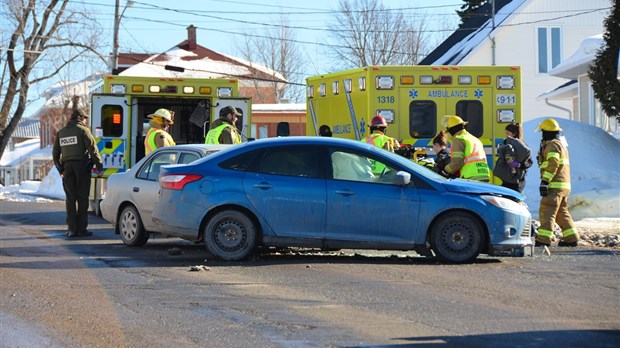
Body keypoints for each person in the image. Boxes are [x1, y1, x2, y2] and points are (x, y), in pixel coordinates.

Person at [53, 109, 103, 238]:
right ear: (80, 118)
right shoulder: (83, 131)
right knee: (82, 198)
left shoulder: (61, 133)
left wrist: (61, 169)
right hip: (81, 167)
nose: (86, 120)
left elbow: (55, 154)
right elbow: (93, 149)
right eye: (85, 118)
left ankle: (71, 229)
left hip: (67, 168)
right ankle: (81, 229)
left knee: (70, 199)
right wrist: (99, 166)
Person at [534, 118, 579, 247]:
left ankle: (543, 239)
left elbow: (553, 163)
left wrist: (545, 182)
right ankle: (572, 237)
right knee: (561, 212)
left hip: (554, 186)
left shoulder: (552, 145)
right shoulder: (560, 144)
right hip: (563, 186)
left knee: (547, 211)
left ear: (546, 132)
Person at [437, 115, 490, 182]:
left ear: (452, 129)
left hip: (471, 176)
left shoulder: (459, 139)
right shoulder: (474, 139)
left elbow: (457, 162)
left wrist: (445, 171)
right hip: (483, 175)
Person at [493, 122, 533, 193]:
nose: (506, 135)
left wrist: (520, 165)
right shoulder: (505, 143)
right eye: (505, 133)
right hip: (507, 178)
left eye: (508, 133)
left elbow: (530, 162)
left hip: (517, 181)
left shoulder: (522, 146)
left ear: (514, 134)